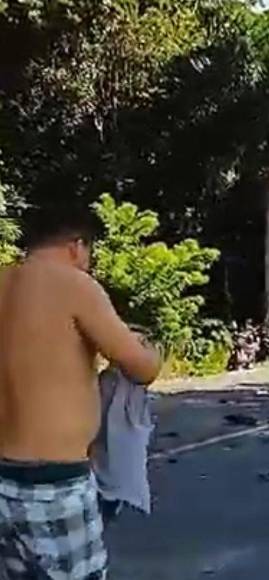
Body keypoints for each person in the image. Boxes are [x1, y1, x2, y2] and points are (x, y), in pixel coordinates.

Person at [0, 206, 162, 579]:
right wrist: (149, 349)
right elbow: (142, 367)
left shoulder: (4, 281)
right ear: (77, 245)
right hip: (53, 483)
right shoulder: (74, 285)